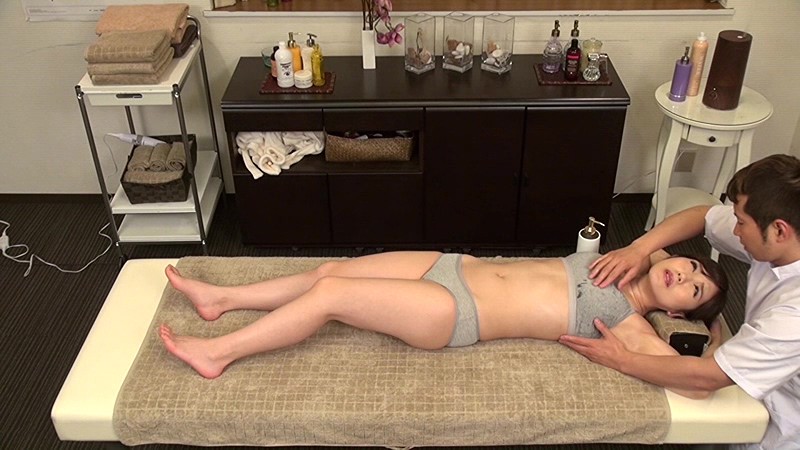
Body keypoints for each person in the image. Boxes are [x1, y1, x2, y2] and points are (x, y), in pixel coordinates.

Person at [160, 249, 726, 392]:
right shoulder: (629, 258)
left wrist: (716, 331)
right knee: (332, 269)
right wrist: (653, 252)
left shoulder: (631, 324)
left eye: (695, 288)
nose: (685, 273)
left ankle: (218, 352)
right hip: (452, 265)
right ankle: (221, 298)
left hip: (456, 312)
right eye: (692, 265)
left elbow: (698, 384)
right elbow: (674, 233)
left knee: (331, 293)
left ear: (678, 312)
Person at [559, 154, 800, 450]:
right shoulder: (781, 239)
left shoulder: (793, 317)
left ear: (779, 231)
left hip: (786, 425)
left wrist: (622, 359)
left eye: (740, 223)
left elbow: (706, 380)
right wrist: (641, 248)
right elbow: (703, 217)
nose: (735, 230)